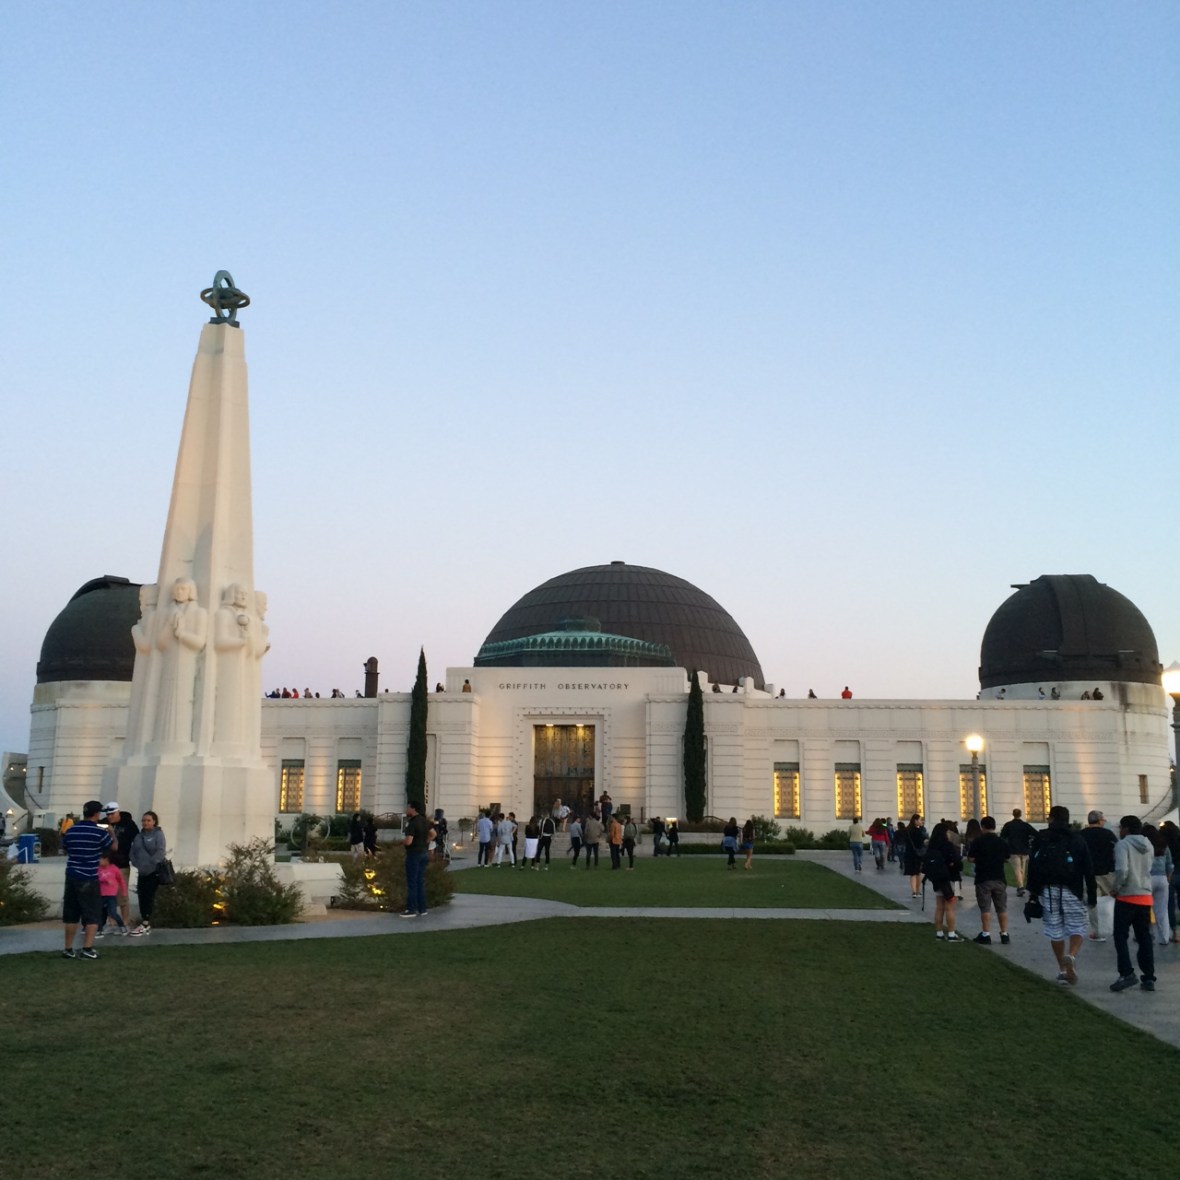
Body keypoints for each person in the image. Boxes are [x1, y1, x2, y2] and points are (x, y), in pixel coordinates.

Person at [1026, 805, 1096, 985]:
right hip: (1072, 888)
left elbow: (1033, 867)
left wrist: (1033, 892)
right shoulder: (1077, 839)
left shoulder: (1041, 838)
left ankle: (1062, 969)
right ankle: (1071, 955)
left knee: (1054, 929)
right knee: (1078, 926)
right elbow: (1088, 868)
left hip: (1048, 889)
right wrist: (1092, 894)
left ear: (1051, 818)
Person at [1109, 815, 1157, 992]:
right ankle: (1149, 976)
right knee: (1144, 938)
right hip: (1145, 896)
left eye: (1120, 827)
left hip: (1127, 896)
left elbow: (1122, 869)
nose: (1119, 831)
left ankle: (1126, 972)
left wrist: (1116, 887)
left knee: (1120, 936)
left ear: (1126, 829)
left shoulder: (1123, 844)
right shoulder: (1148, 844)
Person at [60, 800, 112, 959]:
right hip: (89, 876)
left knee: (71, 914)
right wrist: (112, 833)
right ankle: (87, 949)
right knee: (92, 915)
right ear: (96, 814)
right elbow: (111, 847)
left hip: (72, 875)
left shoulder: (71, 830)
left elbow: (65, 849)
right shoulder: (99, 833)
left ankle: (68, 949)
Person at [967, 816, 1010, 945]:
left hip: (983, 878)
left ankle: (986, 934)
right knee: (1001, 908)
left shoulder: (978, 841)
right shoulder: (1002, 842)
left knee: (985, 908)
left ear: (983, 827)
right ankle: (1004, 934)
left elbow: (970, 858)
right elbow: (1007, 858)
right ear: (994, 826)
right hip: (999, 877)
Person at [1079, 809, 1117, 942]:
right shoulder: (1108, 834)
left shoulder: (1081, 834)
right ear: (1100, 821)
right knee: (1111, 899)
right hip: (1106, 872)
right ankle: (1113, 926)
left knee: (1092, 902)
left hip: (1088, 873)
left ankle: (1097, 931)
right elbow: (1115, 851)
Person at [923, 822, 964, 941]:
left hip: (938, 880)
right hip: (952, 879)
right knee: (950, 907)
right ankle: (951, 933)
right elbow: (958, 863)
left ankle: (939, 933)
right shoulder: (949, 846)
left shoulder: (932, 846)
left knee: (939, 907)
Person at [129, 811, 168, 935]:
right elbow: (133, 851)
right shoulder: (138, 836)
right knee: (142, 896)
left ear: (154, 822)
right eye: (144, 820)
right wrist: (136, 863)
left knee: (148, 897)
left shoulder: (158, 834)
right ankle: (144, 921)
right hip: (142, 871)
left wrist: (150, 863)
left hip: (153, 871)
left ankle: (146, 922)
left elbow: (160, 851)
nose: (145, 823)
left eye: (148, 820)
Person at [103, 802, 139, 929]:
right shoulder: (103, 823)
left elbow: (137, 839)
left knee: (122, 894)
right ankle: (111, 921)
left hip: (122, 863)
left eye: (112, 814)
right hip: (107, 864)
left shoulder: (128, 824)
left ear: (118, 812)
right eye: (108, 814)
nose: (109, 817)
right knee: (108, 893)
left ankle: (125, 921)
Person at [400, 799, 434, 918]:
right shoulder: (424, 821)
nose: (406, 809)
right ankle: (422, 908)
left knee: (412, 882)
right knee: (420, 881)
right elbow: (433, 834)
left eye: (408, 807)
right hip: (423, 853)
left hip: (414, 854)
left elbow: (409, 841)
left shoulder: (412, 823)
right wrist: (425, 842)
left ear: (413, 809)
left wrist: (402, 843)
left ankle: (411, 909)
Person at [1143, 824, 1173, 945]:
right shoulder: (1164, 846)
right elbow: (1169, 865)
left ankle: (1148, 935)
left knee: (1145, 910)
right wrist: (1167, 881)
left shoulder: (1144, 846)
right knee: (1162, 910)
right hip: (1162, 879)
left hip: (1147, 879)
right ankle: (1165, 938)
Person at [1000, 808, 1037, 896]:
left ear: (1013, 814)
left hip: (1013, 849)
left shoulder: (1009, 825)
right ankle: (1021, 886)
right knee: (1022, 869)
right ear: (1020, 815)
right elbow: (1035, 833)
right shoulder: (1025, 825)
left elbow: (1002, 836)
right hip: (1024, 849)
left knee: (1017, 869)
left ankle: (1020, 887)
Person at [95, 851, 129, 937]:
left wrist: (124, 892)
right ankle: (100, 929)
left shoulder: (114, 869)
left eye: (100, 859)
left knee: (112, 912)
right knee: (101, 912)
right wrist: (104, 880)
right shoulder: (98, 869)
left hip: (111, 895)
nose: (99, 861)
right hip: (101, 894)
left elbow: (121, 881)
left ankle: (122, 926)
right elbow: (97, 879)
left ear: (106, 860)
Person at [903, 815, 927, 897]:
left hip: (909, 853)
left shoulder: (907, 830)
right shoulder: (920, 831)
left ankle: (913, 891)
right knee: (918, 873)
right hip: (918, 854)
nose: (921, 821)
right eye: (920, 820)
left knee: (912, 873)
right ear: (915, 821)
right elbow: (923, 842)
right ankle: (918, 890)